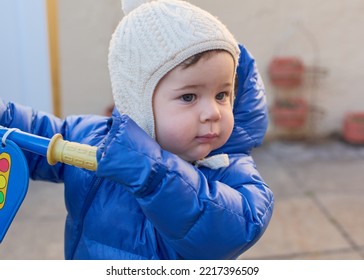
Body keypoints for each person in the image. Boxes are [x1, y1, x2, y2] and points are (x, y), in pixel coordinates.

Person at [0, 0, 273, 259]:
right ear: (138, 102)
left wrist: (152, 173)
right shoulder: (94, 140)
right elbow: (34, 134)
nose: (213, 112)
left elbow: (234, 230)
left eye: (222, 95)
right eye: (189, 97)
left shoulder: (228, 168)